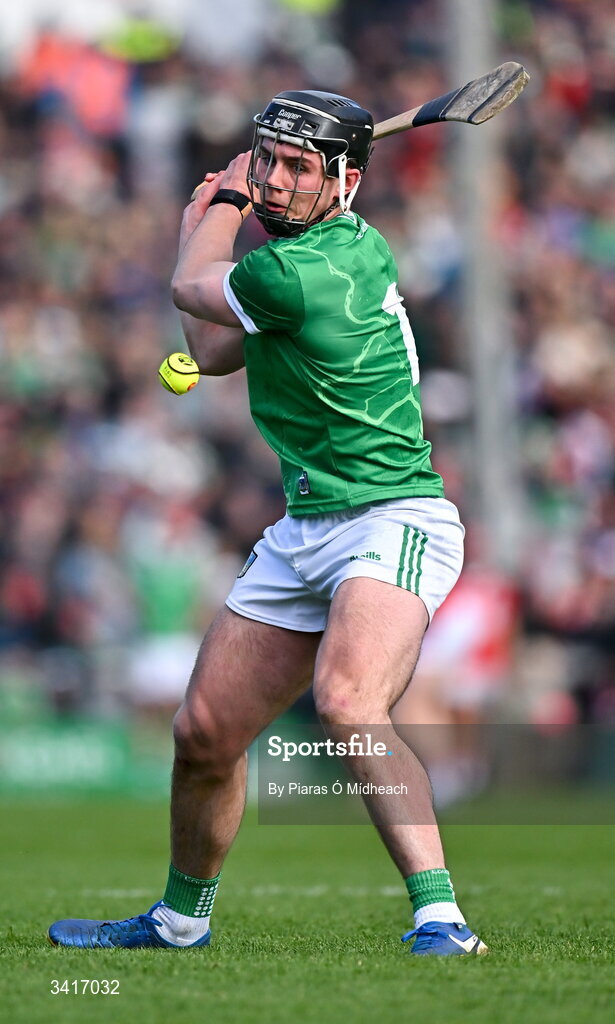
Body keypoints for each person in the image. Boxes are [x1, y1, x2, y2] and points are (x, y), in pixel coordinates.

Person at [48, 90, 487, 956]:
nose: (277, 180)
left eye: (298, 167)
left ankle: (443, 920)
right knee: (203, 732)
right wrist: (207, 230)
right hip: (307, 526)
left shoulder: (309, 267)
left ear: (346, 182)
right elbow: (211, 347)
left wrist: (216, 208)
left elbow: (189, 287)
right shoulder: (291, 265)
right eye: (269, 160)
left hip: (391, 514)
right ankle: (179, 921)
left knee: (348, 701)